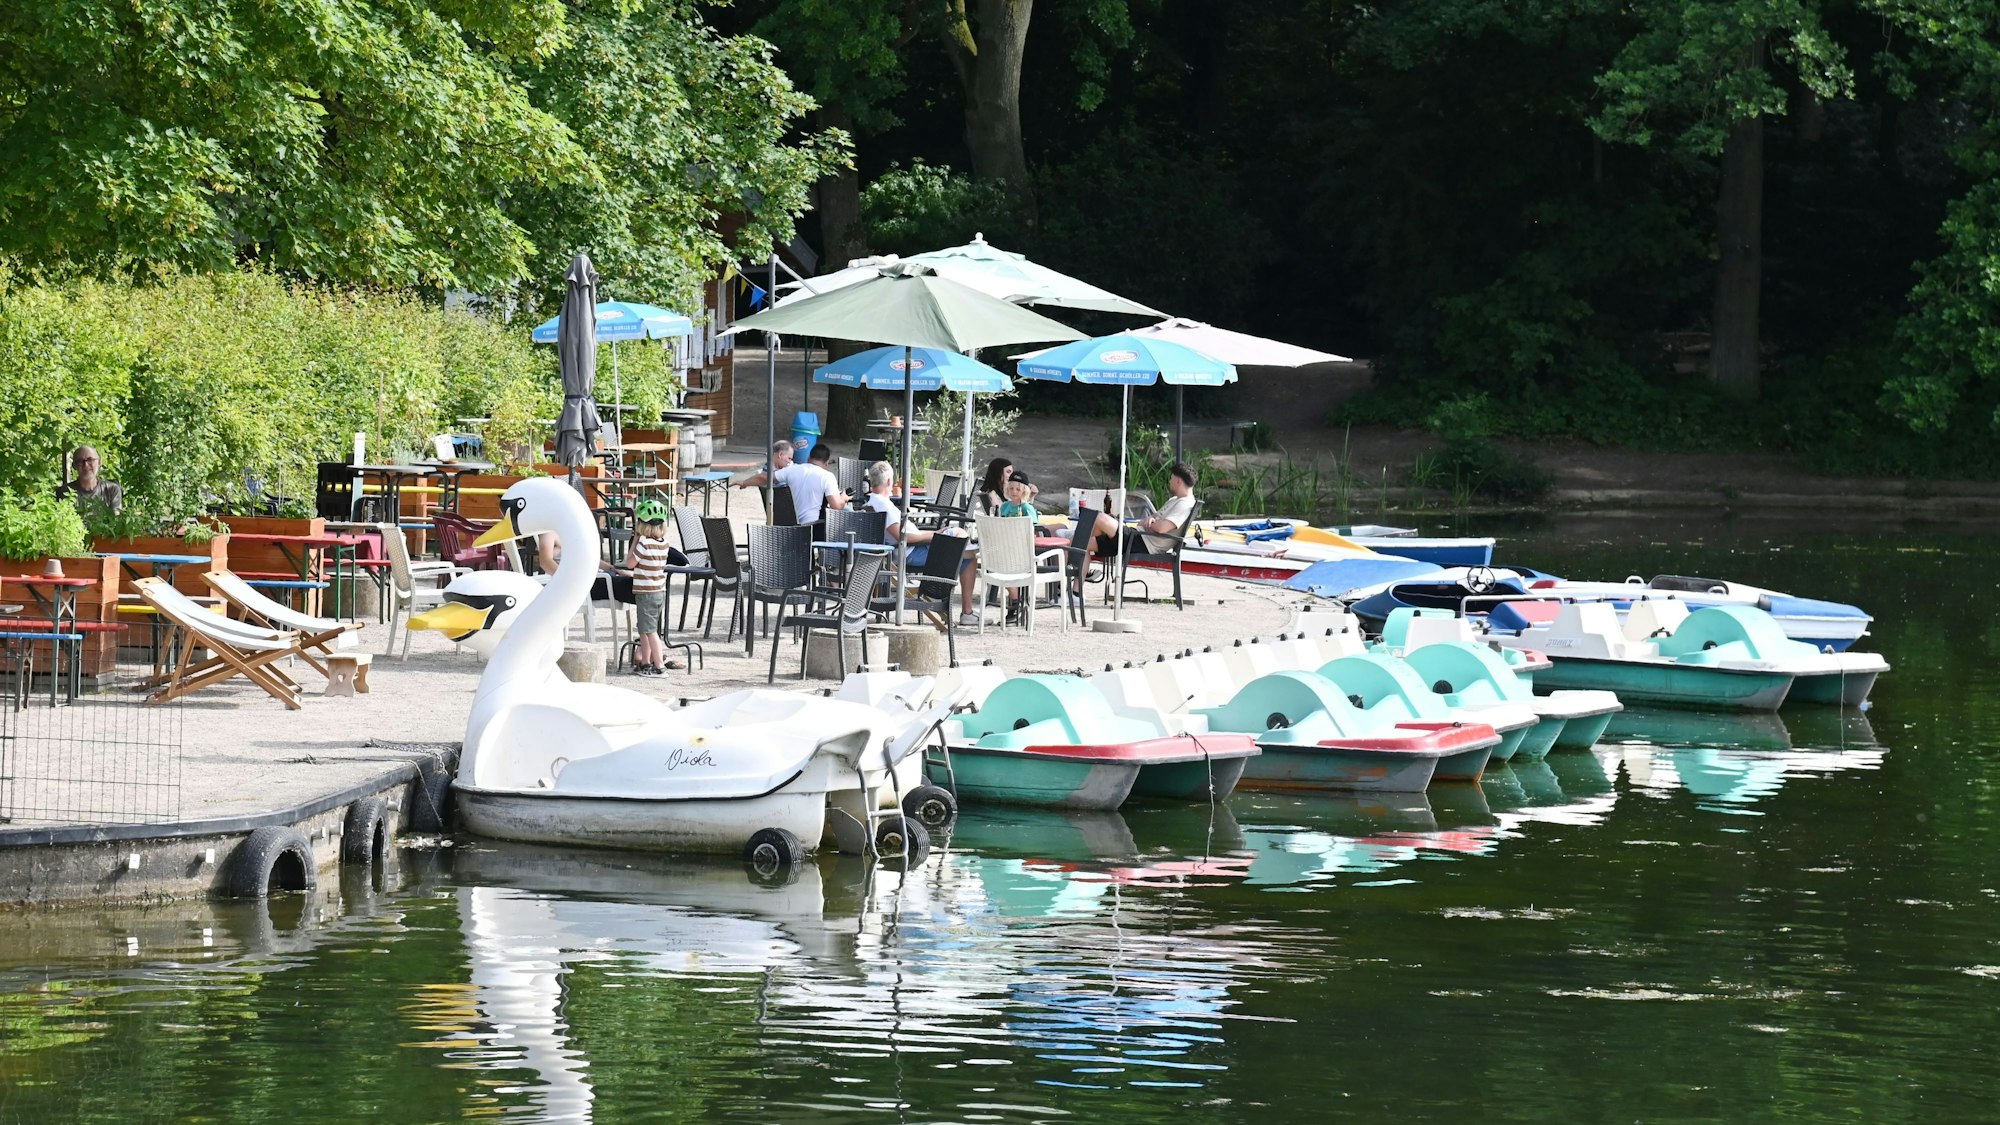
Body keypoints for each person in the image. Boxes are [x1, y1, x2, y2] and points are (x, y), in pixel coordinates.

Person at [864, 460, 982, 625]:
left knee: (966, 553)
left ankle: (957, 596)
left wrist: (935, 534)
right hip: (911, 551)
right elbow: (904, 537)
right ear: (889, 481)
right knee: (961, 541)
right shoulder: (883, 505)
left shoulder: (874, 501)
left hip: (912, 548)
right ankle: (952, 599)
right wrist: (935, 536)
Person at [1093, 462, 1197, 558]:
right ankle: (1080, 577)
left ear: (1178, 481)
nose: (1169, 481)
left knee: (1099, 517)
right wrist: (1151, 523)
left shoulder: (1185, 504)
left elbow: (1162, 528)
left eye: (1171, 478)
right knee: (1085, 543)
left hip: (1142, 543)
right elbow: (1147, 521)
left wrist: (1150, 524)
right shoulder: (1174, 500)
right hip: (1137, 537)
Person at [624, 497, 678, 674]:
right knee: (645, 630)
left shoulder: (644, 543)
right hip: (658, 592)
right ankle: (645, 662)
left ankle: (659, 666)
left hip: (645, 593)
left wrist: (634, 541)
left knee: (650, 632)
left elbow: (629, 563)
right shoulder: (664, 544)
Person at [55, 445, 123, 515]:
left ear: (99, 462)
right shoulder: (64, 492)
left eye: (90, 460)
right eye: (80, 461)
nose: (86, 465)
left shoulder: (111, 490)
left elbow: (116, 520)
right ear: (74, 466)